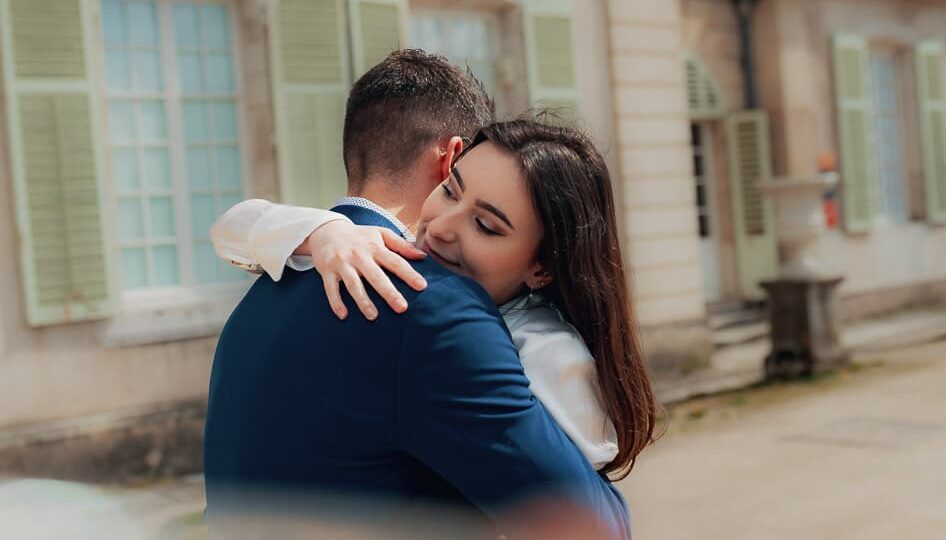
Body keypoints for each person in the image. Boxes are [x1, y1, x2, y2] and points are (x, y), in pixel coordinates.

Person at [203, 49, 631, 540]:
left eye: (487, 225)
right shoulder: (432, 308)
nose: (444, 229)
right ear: (451, 158)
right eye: (451, 190)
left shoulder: (266, 290)